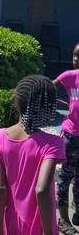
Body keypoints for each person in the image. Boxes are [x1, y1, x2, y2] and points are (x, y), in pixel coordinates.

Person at [0, 75, 65, 235]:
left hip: (9, 223)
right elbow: (42, 190)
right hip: (40, 226)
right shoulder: (52, 143)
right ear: (49, 108)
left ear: (14, 100)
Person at [55, 43, 79, 235]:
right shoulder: (69, 76)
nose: (77, 58)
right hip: (71, 135)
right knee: (65, 178)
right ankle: (63, 219)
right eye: (75, 55)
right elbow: (49, 86)